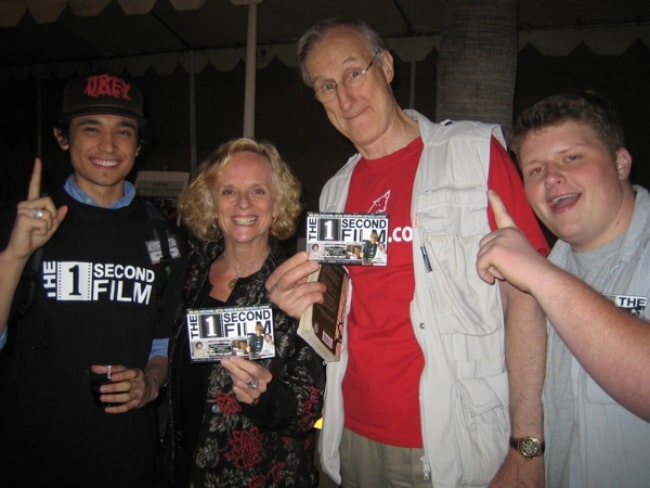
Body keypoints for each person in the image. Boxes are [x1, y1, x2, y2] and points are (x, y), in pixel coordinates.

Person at [266, 18, 550, 488]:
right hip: (349, 431)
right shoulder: (337, 190)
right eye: (327, 85)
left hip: (449, 436)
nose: (345, 96)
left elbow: (526, 298)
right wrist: (303, 311)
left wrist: (527, 445)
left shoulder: (474, 154)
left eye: (355, 72)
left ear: (387, 67)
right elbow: (338, 324)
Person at [0, 72, 186, 487]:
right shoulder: (24, 224)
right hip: (29, 457)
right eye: (91, 129)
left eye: (124, 131)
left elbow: (163, 340)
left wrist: (150, 384)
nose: (108, 146)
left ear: (139, 145)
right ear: (62, 138)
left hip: (126, 458)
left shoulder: (165, 237)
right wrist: (15, 255)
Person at [477, 90, 650, 488]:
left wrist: (538, 275)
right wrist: (525, 457)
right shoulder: (546, 271)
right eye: (535, 170)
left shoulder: (540, 274)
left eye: (572, 158)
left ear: (620, 163)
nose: (552, 177)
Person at [162, 138, 325, 487]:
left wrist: (265, 397)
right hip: (180, 469)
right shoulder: (191, 271)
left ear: (277, 202)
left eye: (258, 191)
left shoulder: (300, 284)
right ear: (211, 202)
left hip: (259, 476)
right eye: (229, 192)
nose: (244, 204)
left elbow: (308, 411)